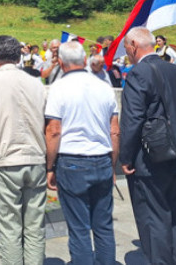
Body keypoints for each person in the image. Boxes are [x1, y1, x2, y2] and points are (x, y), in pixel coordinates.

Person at [119, 27, 176, 264]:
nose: (127, 53)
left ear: (132, 45)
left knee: (152, 217)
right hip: (175, 152)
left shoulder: (138, 73)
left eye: (126, 48)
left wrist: (126, 157)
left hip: (149, 157)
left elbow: (132, 120)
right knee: (173, 212)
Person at [0, 35, 47, 264]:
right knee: (34, 229)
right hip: (35, 158)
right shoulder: (35, 82)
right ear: (19, 55)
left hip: (3, 160)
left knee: (10, 230)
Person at [45, 41, 119, 264]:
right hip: (102, 158)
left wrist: (50, 166)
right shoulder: (104, 87)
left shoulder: (58, 88)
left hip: (72, 160)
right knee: (104, 225)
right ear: (85, 61)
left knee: (78, 228)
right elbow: (114, 131)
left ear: (60, 62)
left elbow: (54, 130)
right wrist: (112, 165)